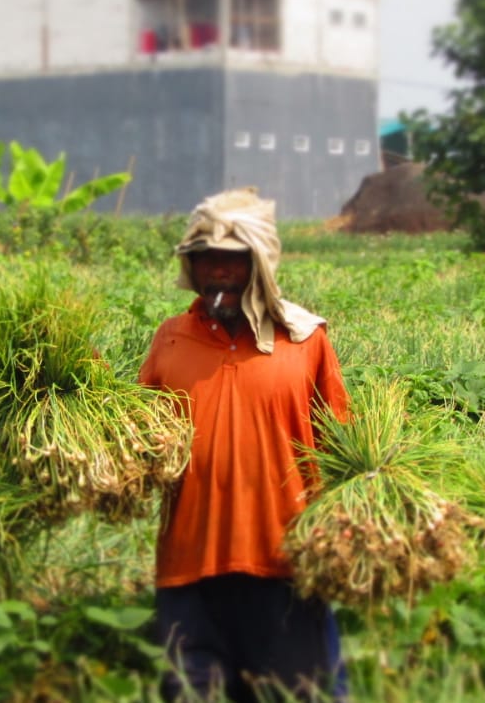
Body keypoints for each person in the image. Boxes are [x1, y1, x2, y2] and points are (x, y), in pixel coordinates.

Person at [138, 187, 352, 702]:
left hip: (284, 571)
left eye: (234, 261)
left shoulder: (305, 340)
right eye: (207, 259)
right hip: (188, 572)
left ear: (260, 264)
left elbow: (343, 448)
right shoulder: (170, 338)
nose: (220, 272)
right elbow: (137, 440)